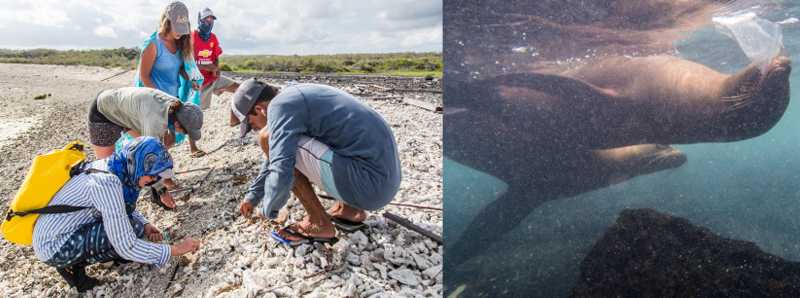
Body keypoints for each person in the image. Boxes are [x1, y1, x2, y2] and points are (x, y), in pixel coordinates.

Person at [231, 79, 402, 244]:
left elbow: (280, 163)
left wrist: (268, 209)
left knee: (266, 138)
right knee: (287, 140)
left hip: (368, 186)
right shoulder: (294, 95)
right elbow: (275, 155)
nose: (256, 129)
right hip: (382, 183)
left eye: (252, 125)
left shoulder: (279, 107)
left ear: (260, 109)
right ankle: (350, 210)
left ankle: (318, 222)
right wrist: (253, 196)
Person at [32, 137, 201, 292]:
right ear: (135, 165)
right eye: (151, 175)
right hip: (53, 244)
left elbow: (121, 208)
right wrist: (176, 250)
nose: (154, 179)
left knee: (135, 227)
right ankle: (72, 269)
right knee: (129, 235)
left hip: (65, 230)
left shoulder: (115, 167)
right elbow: (126, 245)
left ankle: (82, 259)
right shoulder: (107, 183)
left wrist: (145, 224)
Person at [87, 86, 204, 209]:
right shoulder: (155, 121)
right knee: (108, 171)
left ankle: (151, 187)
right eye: (185, 131)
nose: (185, 134)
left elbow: (160, 149)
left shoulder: (176, 106)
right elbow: (150, 158)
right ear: (177, 123)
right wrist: (162, 192)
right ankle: (102, 205)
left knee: (157, 151)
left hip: (127, 111)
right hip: (104, 112)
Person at [135, 1, 206, 157]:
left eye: (184, 28)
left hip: (173, 98)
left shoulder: (182, 43)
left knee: (169, 139)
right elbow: (144, 76)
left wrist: (191, 79)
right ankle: (161, 176)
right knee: (162, 138)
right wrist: (160, 99)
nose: (181, 33)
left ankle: (158, 172)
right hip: (154, 98)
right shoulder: (153, 44)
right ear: (167, 22)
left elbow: (180, 68)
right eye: (177, 28)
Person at [192, 7, 240, 110]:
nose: (209, 22)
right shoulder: (192, 37)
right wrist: (207, 67)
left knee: (241, 89)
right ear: (199, 20)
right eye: (206, 19)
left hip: (212, 79)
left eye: (211, 19)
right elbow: (187, 64)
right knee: (195, 112)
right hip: (197, 82)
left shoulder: (213, 38)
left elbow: (215, 58)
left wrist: (216, 69)